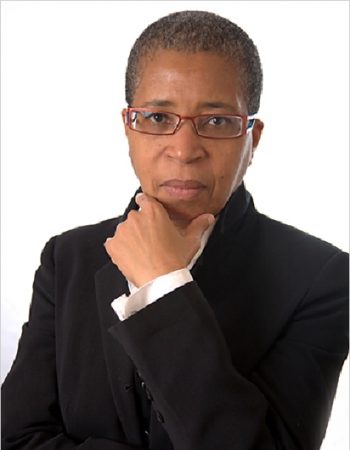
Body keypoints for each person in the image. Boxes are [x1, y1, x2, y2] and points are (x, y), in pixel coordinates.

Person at [2, 9, 348, 450]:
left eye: (218, 122)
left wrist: (164, 287)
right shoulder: (66, 257)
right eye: (158, 118)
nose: (184, 151)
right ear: (129, 128)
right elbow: (18, 440)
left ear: (252, 139)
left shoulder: (322, 277)